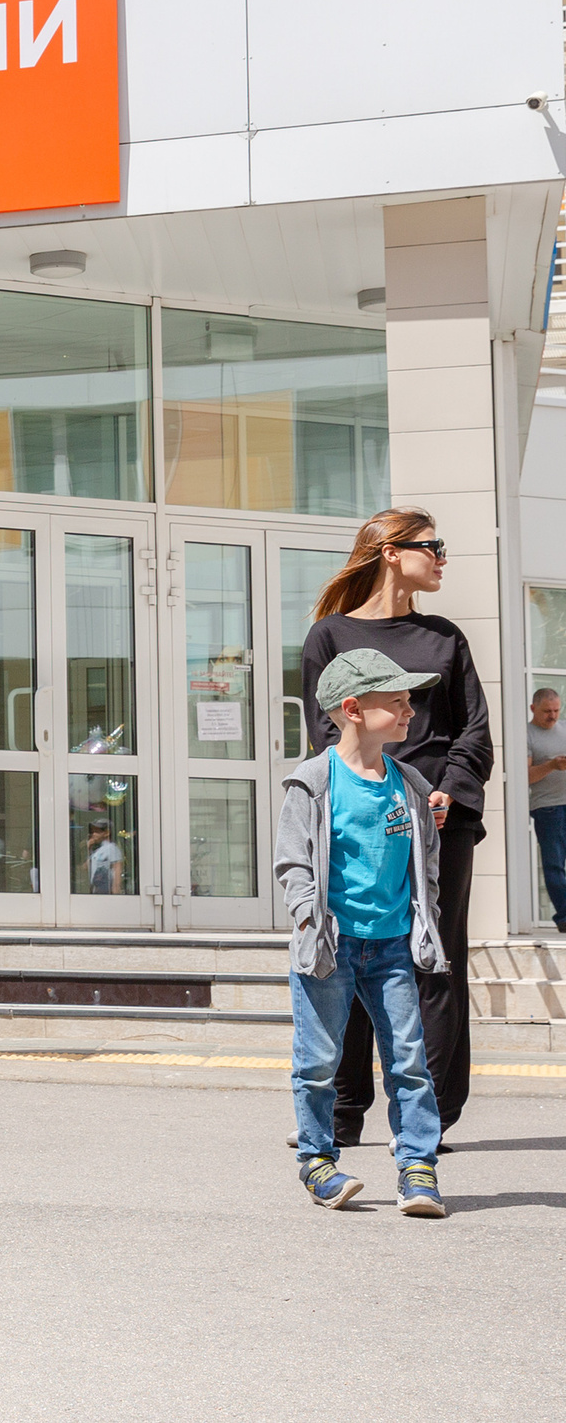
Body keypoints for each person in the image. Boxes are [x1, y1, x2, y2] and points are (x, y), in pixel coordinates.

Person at [301, 507, 491, 1142]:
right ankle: (342, 1111)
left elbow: (474, 733)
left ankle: (428, 1117)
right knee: (349, 954)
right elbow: (327, 735)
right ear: (390, 552)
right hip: (357, 824)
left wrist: (446, 794)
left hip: (440, 823)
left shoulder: (445, 637)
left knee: (434, 960)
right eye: (432, 545)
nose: (442, 557)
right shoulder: (330, 637)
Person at [277, 649, 449, 1217]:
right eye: (396, 701)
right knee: (319, 1060)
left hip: (394, 944)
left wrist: (427, 917)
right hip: (330, 945)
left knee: (408, 1059)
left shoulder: (410, 782)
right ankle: (318, 1163)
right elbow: (293, 863)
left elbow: (421, 859)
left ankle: (418, 1168)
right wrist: (307, 915)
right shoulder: (313, 782)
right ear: (353, 709)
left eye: (409, 700)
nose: (409, 710)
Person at [527, 689, 566, 932]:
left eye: (556, 710)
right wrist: (552, 765)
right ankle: (564, 916)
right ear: (533, 709)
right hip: (547, 808)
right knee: (554, 865)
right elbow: (525, 777)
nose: (552, 716)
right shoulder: (526, 734)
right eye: (546, 712)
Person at [84, 821, 124, 896]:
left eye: (97, 832)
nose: (94, 834)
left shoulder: (112, 848)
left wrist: (116, 892)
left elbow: (117, 869)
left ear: (107, 833)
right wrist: (89, 849)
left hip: (106, 890)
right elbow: (86, 867)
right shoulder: (98, 850)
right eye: (93, 832)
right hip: (97, 889)